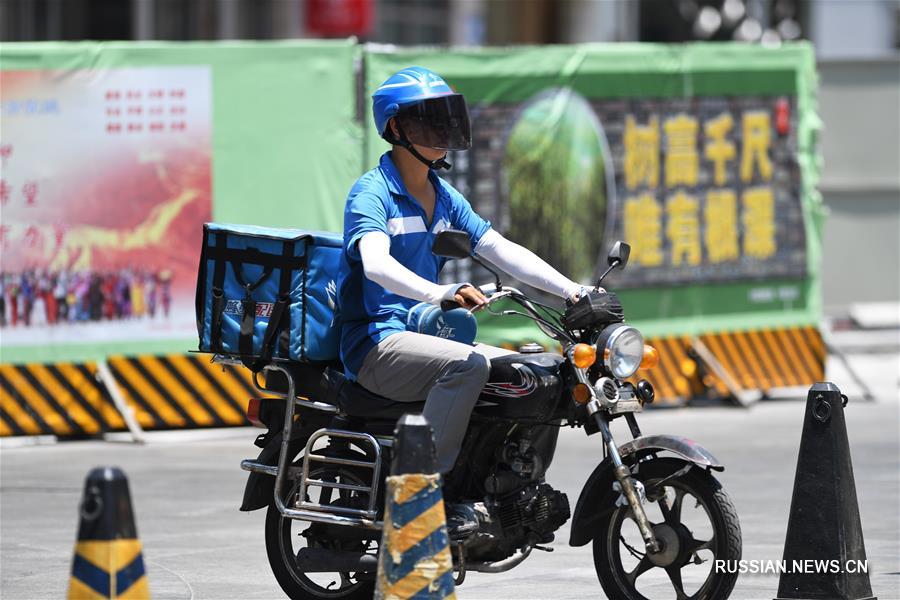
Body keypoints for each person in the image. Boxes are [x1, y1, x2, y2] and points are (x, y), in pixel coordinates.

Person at [336, 66, 589, 523]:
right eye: (428, 120)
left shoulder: (444, 196)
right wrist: (440, 293)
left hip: (421, 335)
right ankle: (420, 496)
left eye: (446, 118)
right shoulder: (372, 194)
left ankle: (509, 488)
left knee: (538, 375)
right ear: (396, 127)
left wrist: (574, 291)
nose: (443, 131)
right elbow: (375, 265)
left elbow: (499, 248)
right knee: (467, 365)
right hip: (375, 342)